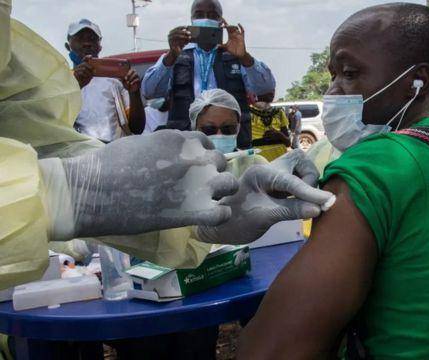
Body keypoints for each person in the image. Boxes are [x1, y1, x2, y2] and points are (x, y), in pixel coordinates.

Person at [0, 3, 334, 290]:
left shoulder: (232, 58)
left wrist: (190, 218)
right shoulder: (175, 61)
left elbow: (37, 140)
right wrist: (62, 194)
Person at [237, 4, 429, 359]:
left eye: (350, 73)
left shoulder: (380, 163)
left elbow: (268, 351)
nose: (334, 92)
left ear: (418, 83)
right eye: (333, 75)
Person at [141, 0, 276, 149]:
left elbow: (265, 88)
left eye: (213, 15)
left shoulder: (234, 55)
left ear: (221, 22)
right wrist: (171, 56)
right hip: (187, 146)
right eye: (199, 14)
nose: (205, 18)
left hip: (230, 142)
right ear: (191, 19)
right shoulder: (177, 56)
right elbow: (149, 91)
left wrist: (244, 57)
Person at [66, 19, 146, 142]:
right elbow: (56, 125)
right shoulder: (61, 81)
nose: (87, 43)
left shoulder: (115, 81)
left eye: (92, 39)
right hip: (79, 154)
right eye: (80, 38)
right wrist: (75, 86)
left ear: (100, 47)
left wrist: (134, 92)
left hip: (114, 153)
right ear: (68, 46)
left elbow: (137, 128)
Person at [190, 88, 269, 177]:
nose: (219, 135)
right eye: (209, 129)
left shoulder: (255, 164)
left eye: (228, 128)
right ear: (195, 129)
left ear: (238, 128)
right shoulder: (186, 170)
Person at [250, 91, 291, 161]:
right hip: (259, 161)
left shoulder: (279, 112)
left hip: (280, 160)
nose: (273, 93)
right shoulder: (247, 114)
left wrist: (279, 135)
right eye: (267, 89)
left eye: (273, 90)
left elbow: (288, 143)